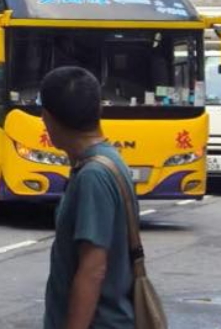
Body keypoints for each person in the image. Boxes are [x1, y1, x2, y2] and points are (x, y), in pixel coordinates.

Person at [41, 66, 137, 329]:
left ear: (48, 119)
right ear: (99, 111)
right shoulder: (108, 160)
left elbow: (93, 270)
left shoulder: (92, 175)